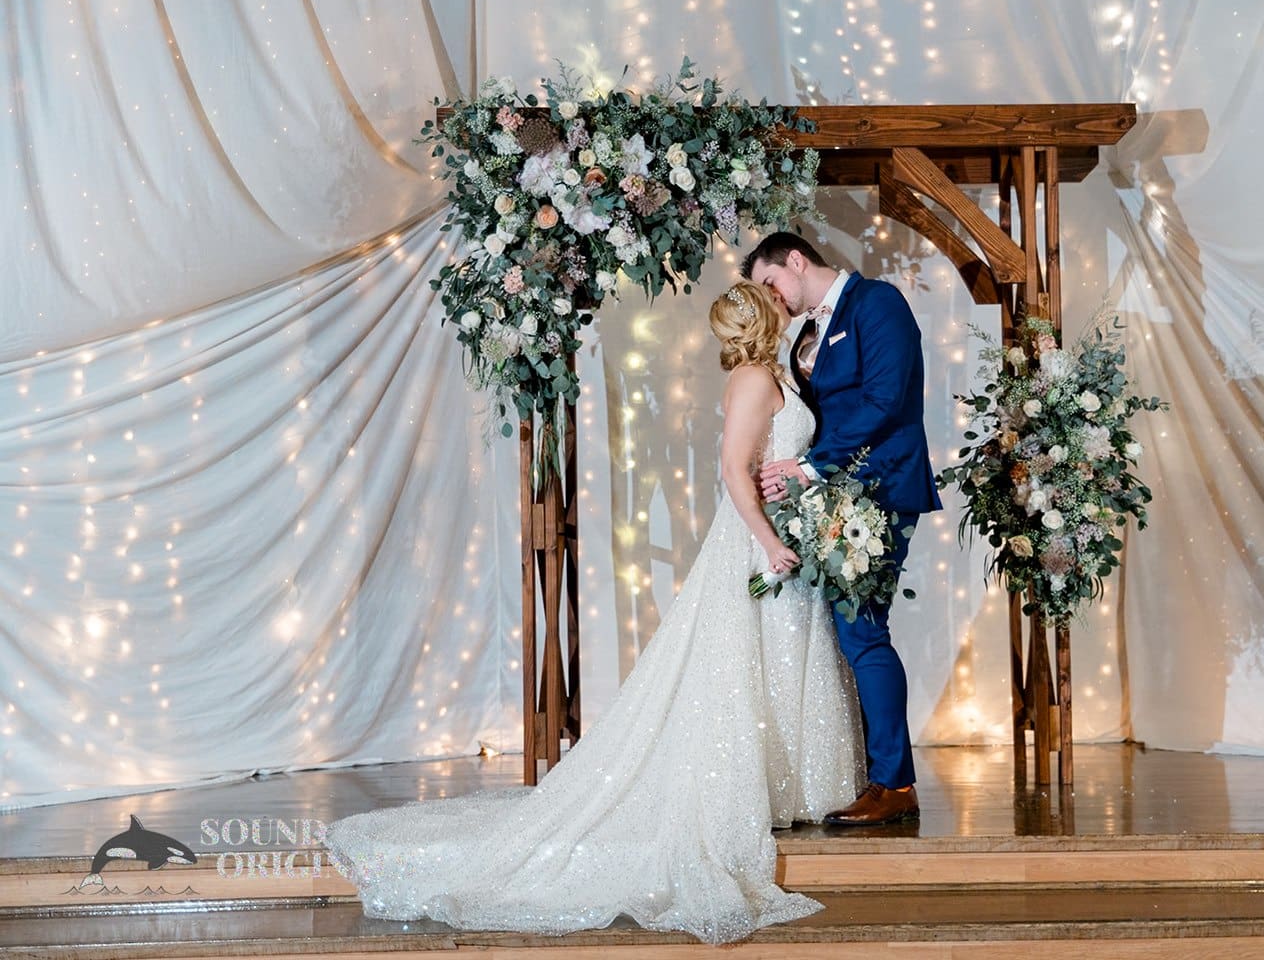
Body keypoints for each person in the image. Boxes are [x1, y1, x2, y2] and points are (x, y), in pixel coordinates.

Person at [324, 282, 864, 945]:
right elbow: (733, 470)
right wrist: (771, 542)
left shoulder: (771, 375)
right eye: (772, 300)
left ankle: (785, 785)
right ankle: (755, 789)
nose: (785, 303)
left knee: (778, 658)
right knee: (748, 665)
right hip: (758, 542)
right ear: (760, 318)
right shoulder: (753, 380)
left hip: (779, 533)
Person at [742, 232, 940, 827]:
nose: (772, 298)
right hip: (835, 499)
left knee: (862, 633)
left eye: (770, 283)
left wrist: (806, 467)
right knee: (851, 634)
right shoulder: (808, 331)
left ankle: (894, 784)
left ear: (795, 260)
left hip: (882, 489)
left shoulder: (877, 303)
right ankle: (875, 774)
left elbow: (884, 401)